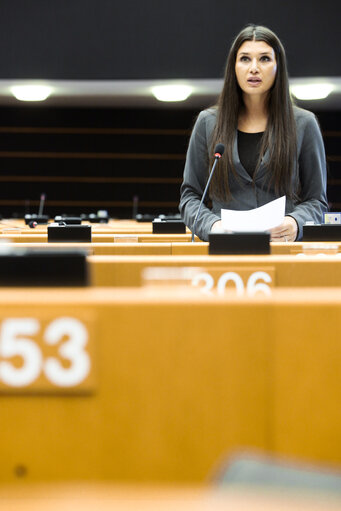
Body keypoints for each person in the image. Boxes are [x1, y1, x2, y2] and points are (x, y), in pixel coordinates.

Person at [179, 24, 328, 242]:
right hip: (224, 249)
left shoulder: (304, 124)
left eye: (265, 59)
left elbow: (317, 201)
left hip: (283, 249)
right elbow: (190, 197)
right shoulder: (207, 123)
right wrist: (212, 226)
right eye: (245, 59)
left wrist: (296, 222)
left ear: (278, 66)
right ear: (234, 67)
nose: (254, 68)